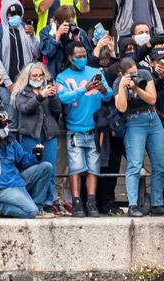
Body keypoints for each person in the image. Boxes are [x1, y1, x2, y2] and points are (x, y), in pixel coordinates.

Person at [57, 42, 112, 217]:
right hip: (74, 130)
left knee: (93, 168)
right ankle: (77, 203)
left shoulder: (96, 73)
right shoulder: (62, 77)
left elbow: (110, 95)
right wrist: (84, 88)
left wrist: (103, 89)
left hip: (95, 130)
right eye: (78, 56)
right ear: (70, 57)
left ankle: (91, 202)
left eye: (84, 56)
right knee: (76, 168)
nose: (82, 59)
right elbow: (64, 97)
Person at [114, 56, 164, 217]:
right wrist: (123, 88)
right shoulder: (118, 83)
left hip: (152, 119)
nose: (135, 74)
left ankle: (157, 204)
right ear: (122, 73)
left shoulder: (145, 74)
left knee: (160, 163)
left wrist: (137, 88)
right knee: (135, 164)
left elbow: (152, 99)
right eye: (131, 73)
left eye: (135, 71)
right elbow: (122, 108)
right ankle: (132, 205)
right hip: (134, 121)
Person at [11, 62, 62, 214]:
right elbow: (25, 108)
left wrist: (52, 97)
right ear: (28, 77)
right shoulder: (21, 92)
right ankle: (32, 201)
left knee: (50, 168)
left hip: (49, 134)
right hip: (31, 136)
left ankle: (47, 201)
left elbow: (58, 110)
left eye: (40, 75)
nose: (38, 78)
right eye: (34, 75)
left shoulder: (48, 89)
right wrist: (41, 96)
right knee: (32, 169)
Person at [0, 110, 54, 218]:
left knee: (46, 167)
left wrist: (36, 154)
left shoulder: (11, 141)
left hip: (17, 182)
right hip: (1, 188)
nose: (7, 126)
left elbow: (24, 160)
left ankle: (38, 207)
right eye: (3, 124)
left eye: (7, 123)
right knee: (30, 212)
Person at [39, 6, 90, 79]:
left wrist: (77, 40)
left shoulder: (79, 32)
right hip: (53, 75)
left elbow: (88, 57)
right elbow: (48, 53)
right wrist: (57, 36)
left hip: (73, 76)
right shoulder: (46, 32)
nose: (68, 26)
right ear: (56, 22)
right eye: (65, 23)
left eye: (70, 22)